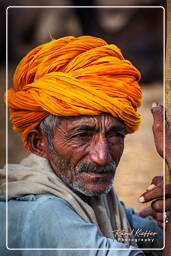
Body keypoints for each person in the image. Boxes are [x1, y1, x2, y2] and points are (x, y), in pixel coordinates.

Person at [0, 35, 171, 256]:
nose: (102, 156)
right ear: (39, 142)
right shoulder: (44, 213)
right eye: (82, 135)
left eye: (115, 135)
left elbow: (152, 241)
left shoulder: (99, 203)